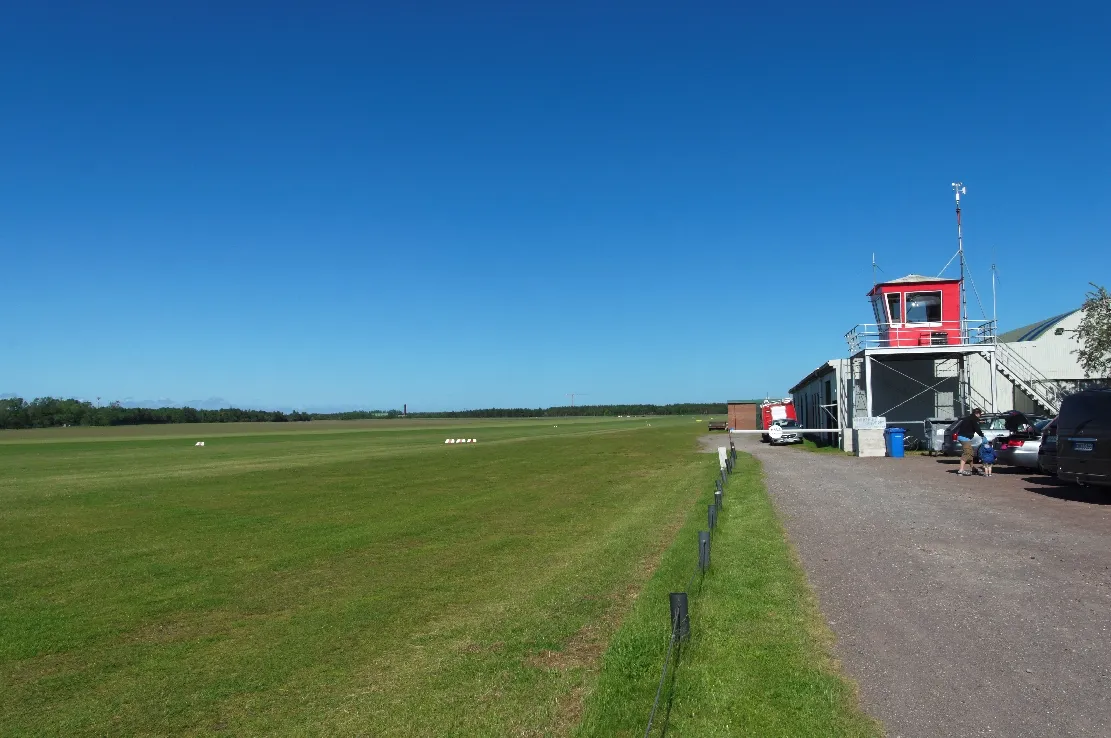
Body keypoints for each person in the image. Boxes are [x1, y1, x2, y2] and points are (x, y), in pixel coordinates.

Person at [955, 408, 985, 476]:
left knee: (971, 453)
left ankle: (973, 468)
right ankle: (961, 470)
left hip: (963, 437)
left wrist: (979, 422)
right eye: (980, 414)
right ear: (977, 414)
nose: (980, 416)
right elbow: (977, 429)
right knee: (967, 453)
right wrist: (982, 435)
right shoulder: (973, 420)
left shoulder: (969, 418)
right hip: (964, 438)